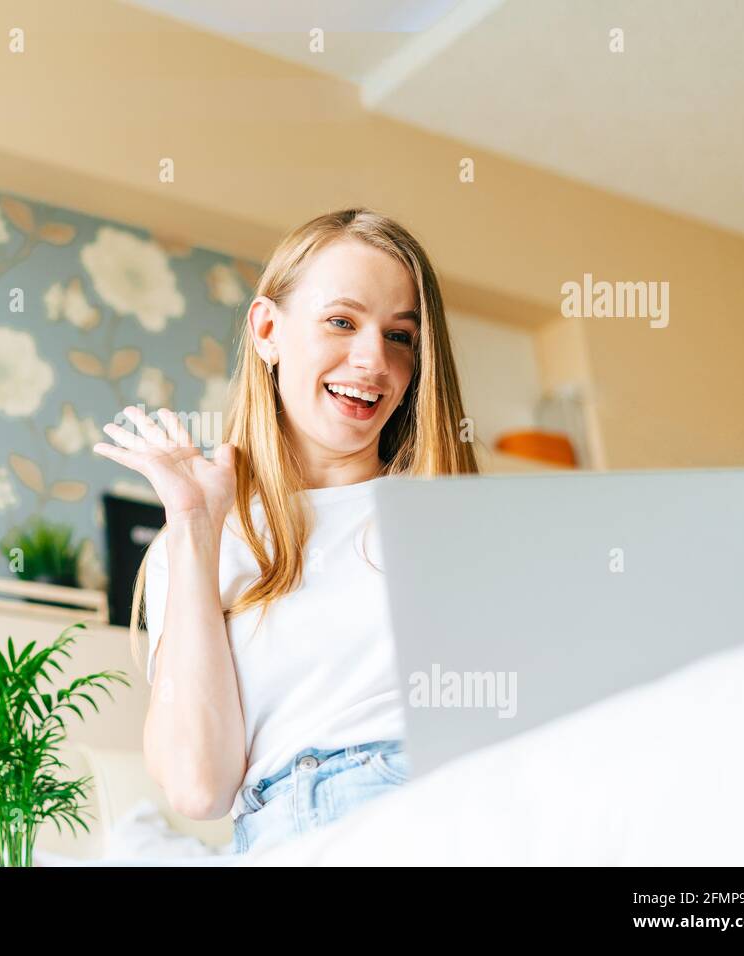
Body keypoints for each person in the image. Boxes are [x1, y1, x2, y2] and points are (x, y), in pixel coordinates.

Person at [92, 207, 478, 856]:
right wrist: (194, 529)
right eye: (341, 322)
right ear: (268, 330)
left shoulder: (452, 521)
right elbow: (198, 789)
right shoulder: (200, 539)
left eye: (401, 337)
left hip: (456, 811)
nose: (372, 360)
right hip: (299, 828)